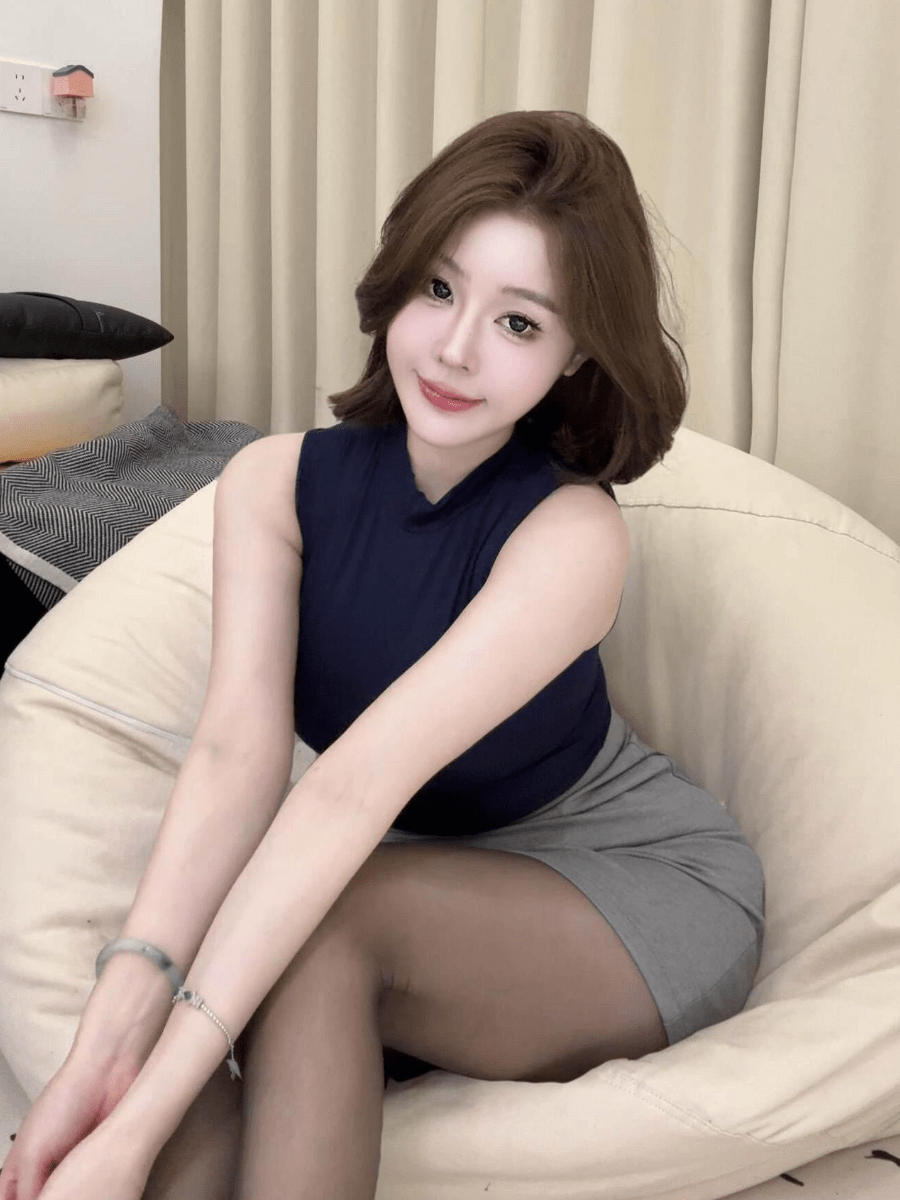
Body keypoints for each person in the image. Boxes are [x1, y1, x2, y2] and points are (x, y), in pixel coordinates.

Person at [0, 110, 764, 1200]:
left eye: (519, 322)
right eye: (440, 290)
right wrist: (104, 1047)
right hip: (414, 878)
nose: (455, 349)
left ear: (578, 354)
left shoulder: (571, 536)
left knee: (312, 937)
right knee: (214, 1002)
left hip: (628, 888)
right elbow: (232, 758)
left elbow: (350, 789)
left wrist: (138, 1118)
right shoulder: (273, 485)